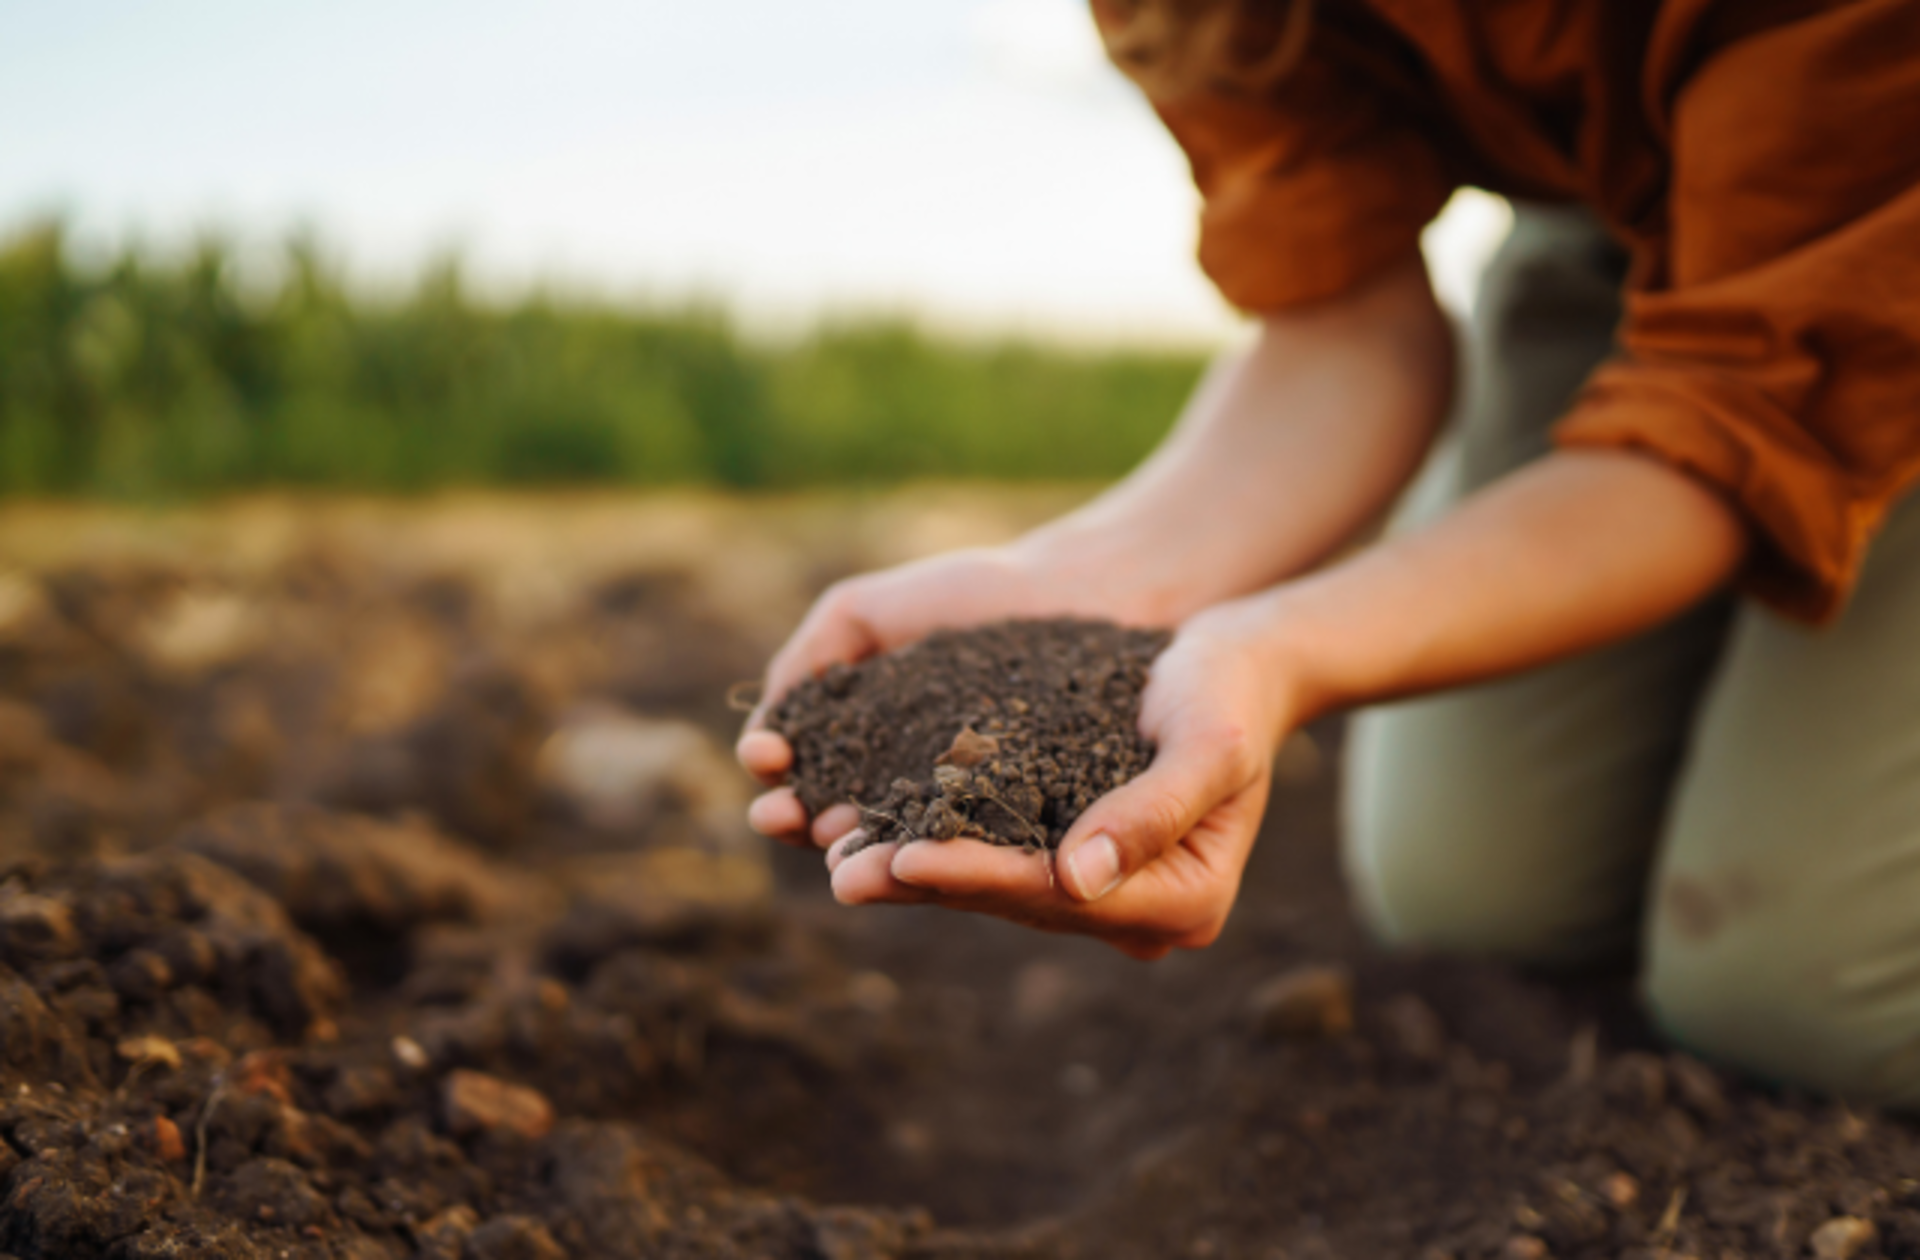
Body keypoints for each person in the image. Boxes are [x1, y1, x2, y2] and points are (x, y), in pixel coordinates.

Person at [736, 0, 1920, 1104]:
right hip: (1631, 207)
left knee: (1800, 1000)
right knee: (1479, 892)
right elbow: (1343, 325)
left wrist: (1289, 649)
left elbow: (1728, 423)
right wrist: (1100, 587)